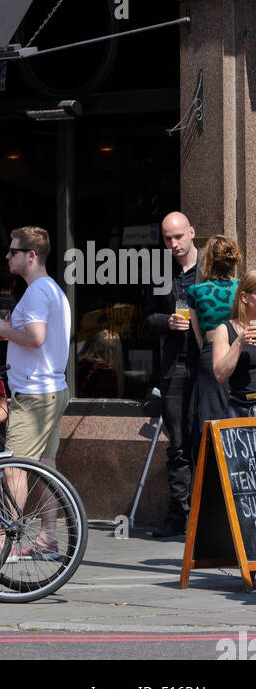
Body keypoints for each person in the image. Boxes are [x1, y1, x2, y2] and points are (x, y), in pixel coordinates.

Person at [0, 226, 70, 556]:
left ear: (32, 255)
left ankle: (2, 544)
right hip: (53, 389)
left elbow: (36, 337)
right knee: (46, 465)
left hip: (36, 395)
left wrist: (6, 329)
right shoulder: (53, 290)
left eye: (14, 251)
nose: (7, 256)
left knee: (14, 468)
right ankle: (47, 538)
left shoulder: (38, 291)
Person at [145, 211, 200, 537]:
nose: (174, 243)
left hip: (207, 364)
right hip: (174, 365)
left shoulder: (211, 272)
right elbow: (148, 316)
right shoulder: (161, 272)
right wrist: (166, 322)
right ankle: (179, 515)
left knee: (206, 441)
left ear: (192, 233)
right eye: (168, 238)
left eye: (178, 236)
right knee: (178, 443)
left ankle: (207, 517)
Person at [188, 234, 243, 456]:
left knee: (211, 417)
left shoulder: (196, 292)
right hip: (242, 350)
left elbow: (198, 335)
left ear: (208, 260)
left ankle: (211, 474)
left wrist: (209, 350)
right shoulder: (242, 290)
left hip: (211, 354)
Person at [212, 270, 256, 418]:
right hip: (240, 410)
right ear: (244, 297)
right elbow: (220, 374)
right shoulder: (225, 330)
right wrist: (239, 343)